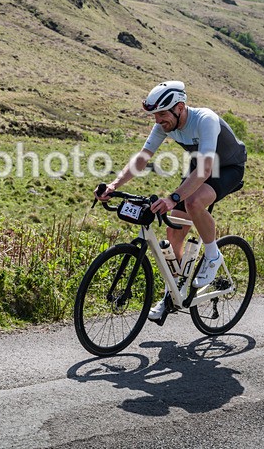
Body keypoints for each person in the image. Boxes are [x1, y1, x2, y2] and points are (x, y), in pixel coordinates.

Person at [95, 80, 247, 321]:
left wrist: (173, 197)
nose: (158, 121)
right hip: (199, 165)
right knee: (174, 229)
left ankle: (213, 255)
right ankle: (172, 293)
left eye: (162, 114)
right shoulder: (165, 125)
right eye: (155, 115)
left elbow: (206, 172)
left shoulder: (205, 119)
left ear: (180, 107)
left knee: (193, 202)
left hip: (227, 168)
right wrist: (114, 185)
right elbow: (142, 159)